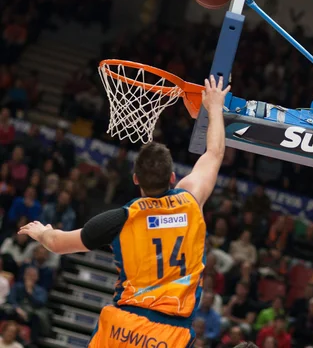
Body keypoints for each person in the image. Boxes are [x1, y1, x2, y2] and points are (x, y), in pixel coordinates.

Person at [18, 76, 231, 347]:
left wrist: (42, 232)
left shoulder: (120, 219)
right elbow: (214, 153)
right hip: (170, 333)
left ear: (135, 179)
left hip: (123, 326)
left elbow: (57, 244)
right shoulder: (191, 199)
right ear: (173, 178)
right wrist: (214, 106)